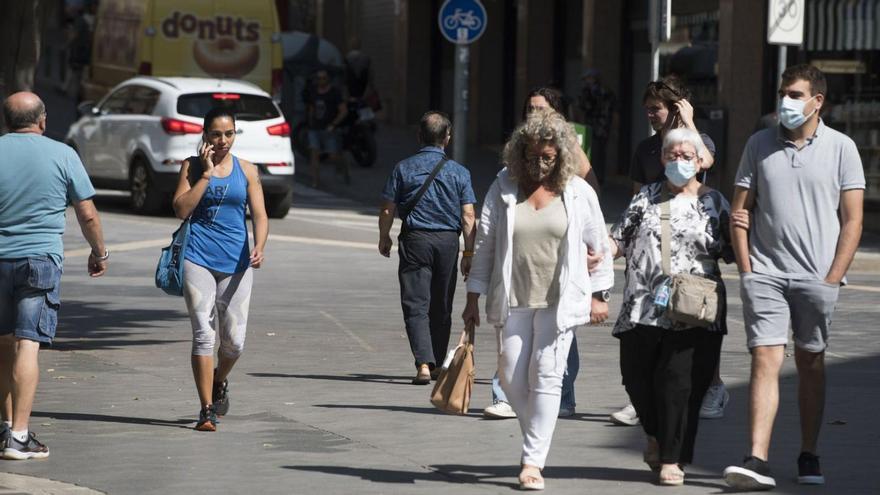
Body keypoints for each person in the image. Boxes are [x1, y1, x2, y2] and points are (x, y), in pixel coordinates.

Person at [723, 64, 865, 491]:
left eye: (795, 94)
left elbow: (853, 219)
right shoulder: (759, 143)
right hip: (766, 273)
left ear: (817, 101)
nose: (786, 101)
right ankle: (757, 457)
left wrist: (832, 276)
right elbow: (739, 210)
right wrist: (747, 270)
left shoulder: (842, 148)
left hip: (817, 277)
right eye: (783, 92)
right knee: (765, 358)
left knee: (810, 363)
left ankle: (808, 451)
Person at [462, 109, 614, 490]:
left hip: (559, 300)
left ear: (561, 154)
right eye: (532, 156)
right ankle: (538, 432)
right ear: (519, 153)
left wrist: (600, 295)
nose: (539, 163)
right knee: (512, 377)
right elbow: (485, 244)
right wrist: (472, 296)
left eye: (547, 156)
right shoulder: (503, 187)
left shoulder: (579, 193)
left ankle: (532, 462)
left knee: (547, 376)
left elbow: (600, 245)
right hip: (513, 297)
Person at [609, 127, 733, 486]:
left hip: (695, 310)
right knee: (635, 377)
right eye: (672, 155)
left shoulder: (715, 202)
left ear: (699, 162)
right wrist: (596, 253)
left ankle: (672, 458)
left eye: (686, 156)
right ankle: (653, 434)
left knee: (679, 385)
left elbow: (733, 251)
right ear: (662, 158)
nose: (679, 161)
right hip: (642, 305)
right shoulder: (645, 197)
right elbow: (619, 239)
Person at [612, 75, 728, 427]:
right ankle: (644, 397)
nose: (650, 114)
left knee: (694, 316)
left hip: (690, 248)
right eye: (647, 109)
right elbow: (636, 196)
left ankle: (713, 385)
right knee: (651, 324)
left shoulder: (696, 141)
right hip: (652, 250)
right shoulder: (645, 149)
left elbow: (706, 162)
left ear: (675, 108)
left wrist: (689, 121)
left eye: (656, 108)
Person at [0, 92, 108, 459]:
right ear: (42, 120)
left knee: (3, 345)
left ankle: (5, 427)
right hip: (40, 261)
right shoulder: (63, 154)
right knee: (26, 344)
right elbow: (88, 214)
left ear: (5, 122)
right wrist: (99, 252)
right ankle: (19, 435)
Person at [484, 87, 601, 420]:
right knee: (512, 337)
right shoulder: (521, 147)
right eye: (530, 109)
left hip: (558, 256)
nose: (534, 115)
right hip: (520, 261)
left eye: (541, 109)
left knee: (562, 333)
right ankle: (506, 394)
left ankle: (563, 395)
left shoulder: (570, 146)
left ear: (558, 114)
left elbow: (591, 191)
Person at [172, 107, 269, 432]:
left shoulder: (247, 170)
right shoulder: (192, 166)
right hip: (197, 258)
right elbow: (181, 209)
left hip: (237, 263)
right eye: (216, 134)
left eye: (229, 133)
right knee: (203, 335)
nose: (223, 140)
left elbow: (260, 214)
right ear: (205, 135)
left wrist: (260, 244)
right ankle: (206, 409)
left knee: (234, 343)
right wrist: (206, 174)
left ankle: (218, 379)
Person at [378, 111, 476, 385]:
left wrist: (384, 236)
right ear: (448, 137)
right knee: (441, 304)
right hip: (447, 242)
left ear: (419, 136)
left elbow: (388, 208)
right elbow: (468, 216)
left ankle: (423, 362)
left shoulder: (403, 168)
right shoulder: (460, 172)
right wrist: (468, 253)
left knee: (415, 303)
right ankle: (435, 364)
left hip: (415, 240)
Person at [305, 69, 349, 188]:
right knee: (314, 153)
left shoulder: (334, 93)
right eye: (319, 78)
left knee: (332, 156)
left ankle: (342, 166)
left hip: (329, 128)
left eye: (323, 78)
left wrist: (334, 124)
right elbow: (311, 108)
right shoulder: (313, 92)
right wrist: (309, 122)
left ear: (328, 79)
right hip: (314, 128)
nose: (321, 81)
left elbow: (343, 110)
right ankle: (315, 181)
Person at [576, 68, 617, 184]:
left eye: (588, 79)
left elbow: (582, 108)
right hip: (600, 127)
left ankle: (594, 178)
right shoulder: (603, 91)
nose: (587, 82)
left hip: (596, 126)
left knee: (594, 153)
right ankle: (597, 178)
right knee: (597, 153)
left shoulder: (592, 92)